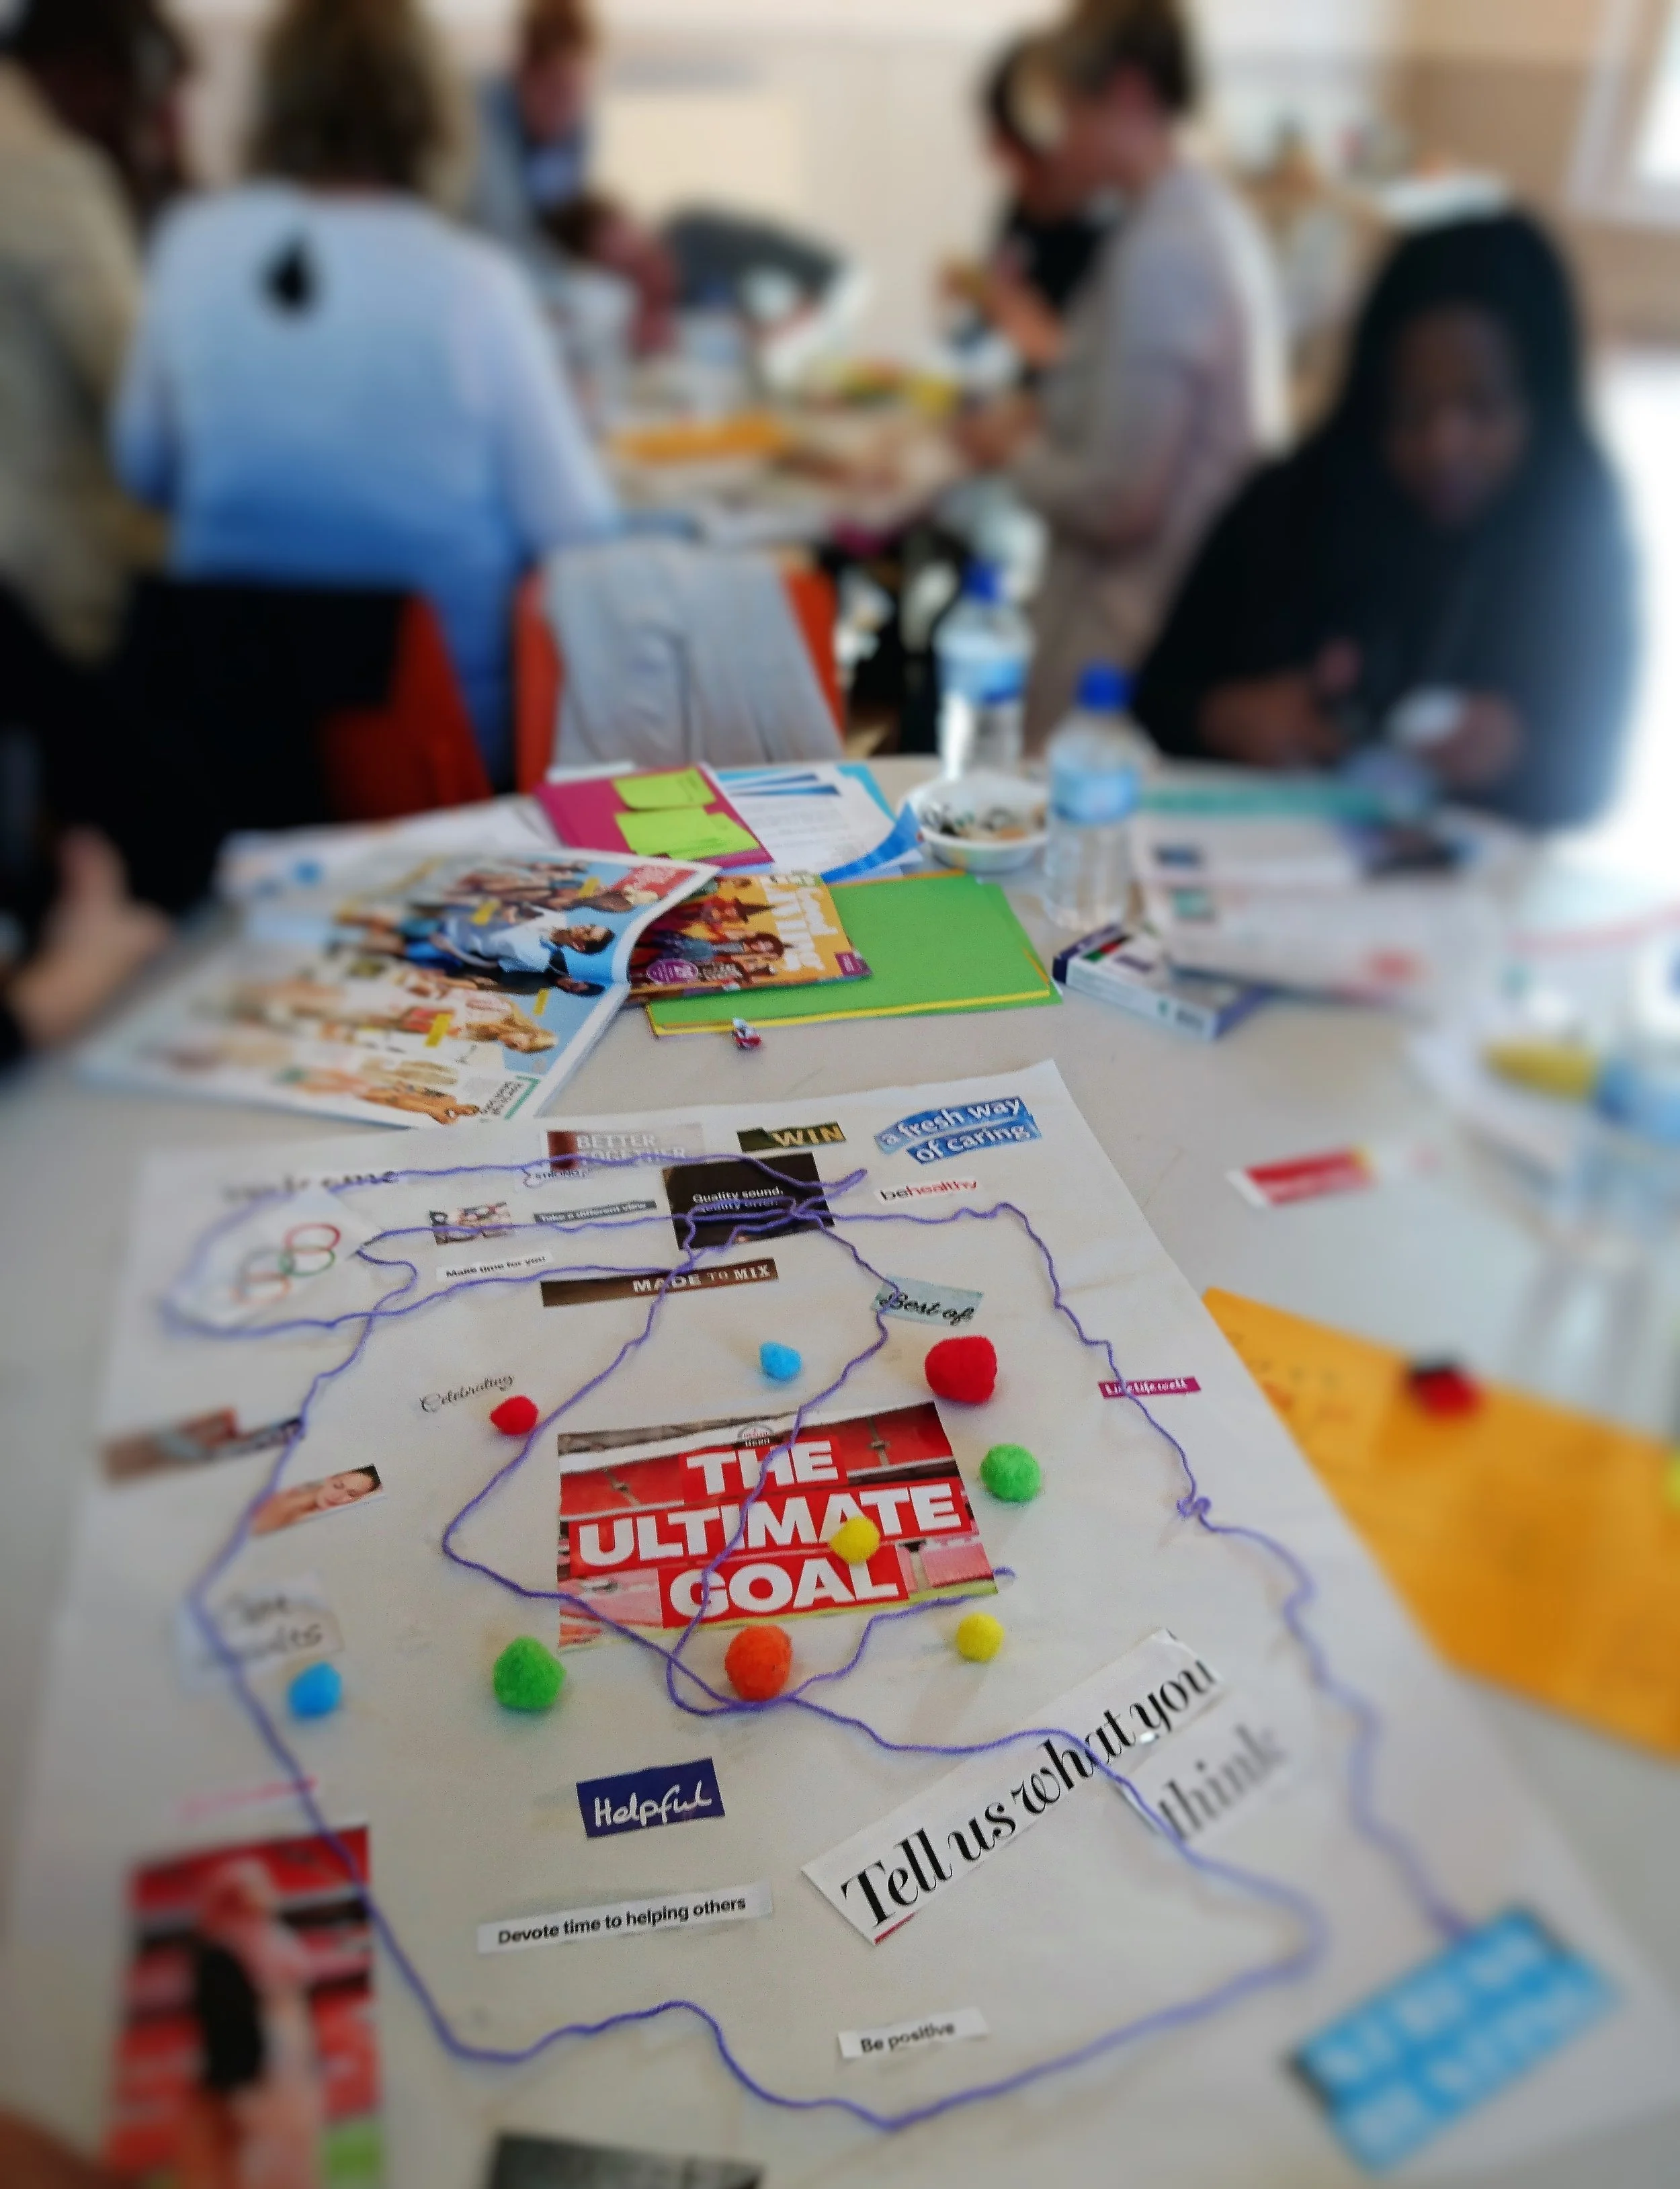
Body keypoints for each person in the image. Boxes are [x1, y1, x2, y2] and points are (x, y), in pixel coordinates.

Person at [112, 0, 619, 788]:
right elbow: (575, 529)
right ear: (432, 110)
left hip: (227, 743)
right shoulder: (473, 282)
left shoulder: (192, 244)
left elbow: (142, 467)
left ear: (275, 96)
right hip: (428, 747)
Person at [1134, 213, 1638, 829]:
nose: (1444, 445)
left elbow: (1593, 780)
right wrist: (1221, 714)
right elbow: (1155, 691)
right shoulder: (1292, 500)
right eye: (1412, 411)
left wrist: (1522, 752)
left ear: (1540, 404)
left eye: (1482, 406)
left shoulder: (1578, 528)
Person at [955, 0, 1286, 745]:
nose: (1061, 142)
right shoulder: (1181, 220)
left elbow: (1119, 502)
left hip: (1135, 634)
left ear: (1131, 94)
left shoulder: (1167, 248)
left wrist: (1010, 452)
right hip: (1148, 612)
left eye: (1071, 111)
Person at [0, 0, 181, 662]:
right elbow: (144, 399)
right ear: (87, 74)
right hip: (54, 591)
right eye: (135, 104)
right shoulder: (49, 171)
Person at [466, 0, 675, 354]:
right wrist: (586, 291)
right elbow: (503, 242)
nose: (568, 111)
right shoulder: (478, 123)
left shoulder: (577, 126)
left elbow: (568, 224)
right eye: (556, 91)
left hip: (539, 290)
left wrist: (616, 244)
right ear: (521, 73)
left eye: (579, 92)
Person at [947, 35, 1112, 379]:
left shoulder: (1113, 232)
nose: (995, 158)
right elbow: (975, 338)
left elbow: (1105, 379)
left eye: (1007, 145)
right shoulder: (1022, 208)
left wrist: (1045, 339)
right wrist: (975, 300)